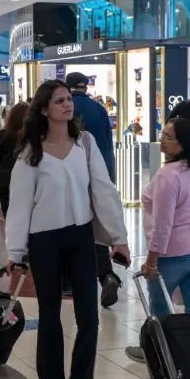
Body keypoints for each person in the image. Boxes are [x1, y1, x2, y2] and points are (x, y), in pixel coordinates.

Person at [6, 80, 130, 379]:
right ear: (44, 109)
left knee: (88, 317)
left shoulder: (85, 144)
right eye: (59, 101)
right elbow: (19, 206)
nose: (67, 105)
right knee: (50, 317)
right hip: (44, 240)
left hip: (80, 237)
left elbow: (104, 192)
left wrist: (119, 236)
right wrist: (15, 251)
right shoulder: (31, 153)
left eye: (68, 100)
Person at [124, 118, 190, 363]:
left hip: (176, 252)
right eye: (163, 134)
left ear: (183, 143)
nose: (162, 140)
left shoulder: (168, 176)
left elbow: (163, 225)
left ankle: (158, 352)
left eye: (168, 137)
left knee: (159, 305)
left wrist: (151, 262)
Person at [66, 71, 122, 307]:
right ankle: (106, 274)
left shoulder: (66, 108)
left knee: (70, 226)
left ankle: (69, 281)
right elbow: (107, 146)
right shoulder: (99, 109)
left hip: (73, 177)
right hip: (100, 174)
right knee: (96, 228)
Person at [0, 101, 29, 217]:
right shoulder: (35, 135)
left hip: (6, 179)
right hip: (27, 180)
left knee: (9, 217)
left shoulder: (5, 133)